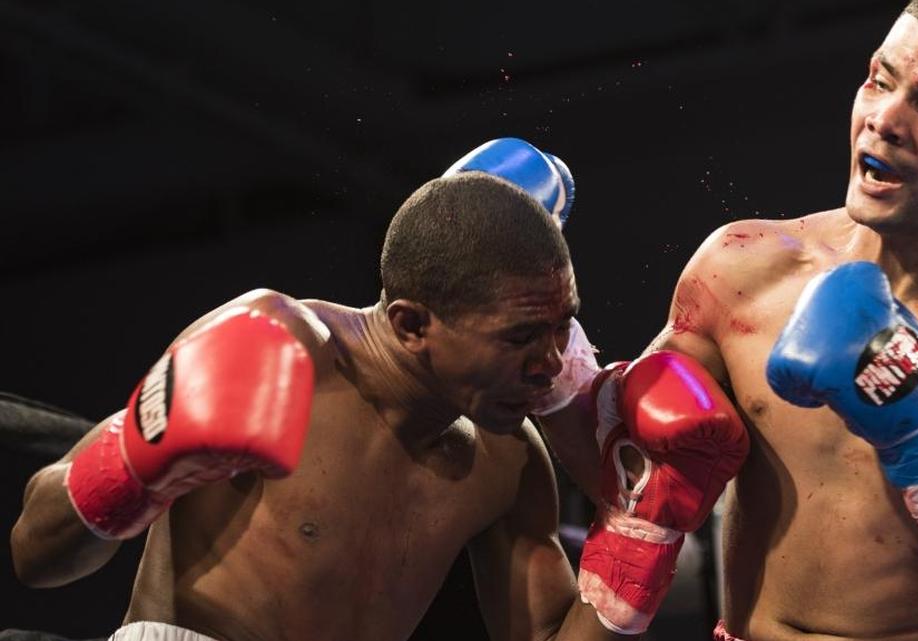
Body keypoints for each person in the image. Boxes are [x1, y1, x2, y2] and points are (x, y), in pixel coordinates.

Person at [536, 2, 918, 640]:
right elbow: (626, 471)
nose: (885, 119)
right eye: (879, 79)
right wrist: (544, 336)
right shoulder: (743, 270)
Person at [9, 139, 748, 641]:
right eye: (521, 338)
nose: (553, 365)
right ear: (411, 322)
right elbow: (34, 555)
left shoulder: (507, 460)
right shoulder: (279, 347)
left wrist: (644, 533)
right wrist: (133, 459)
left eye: (565, 328)